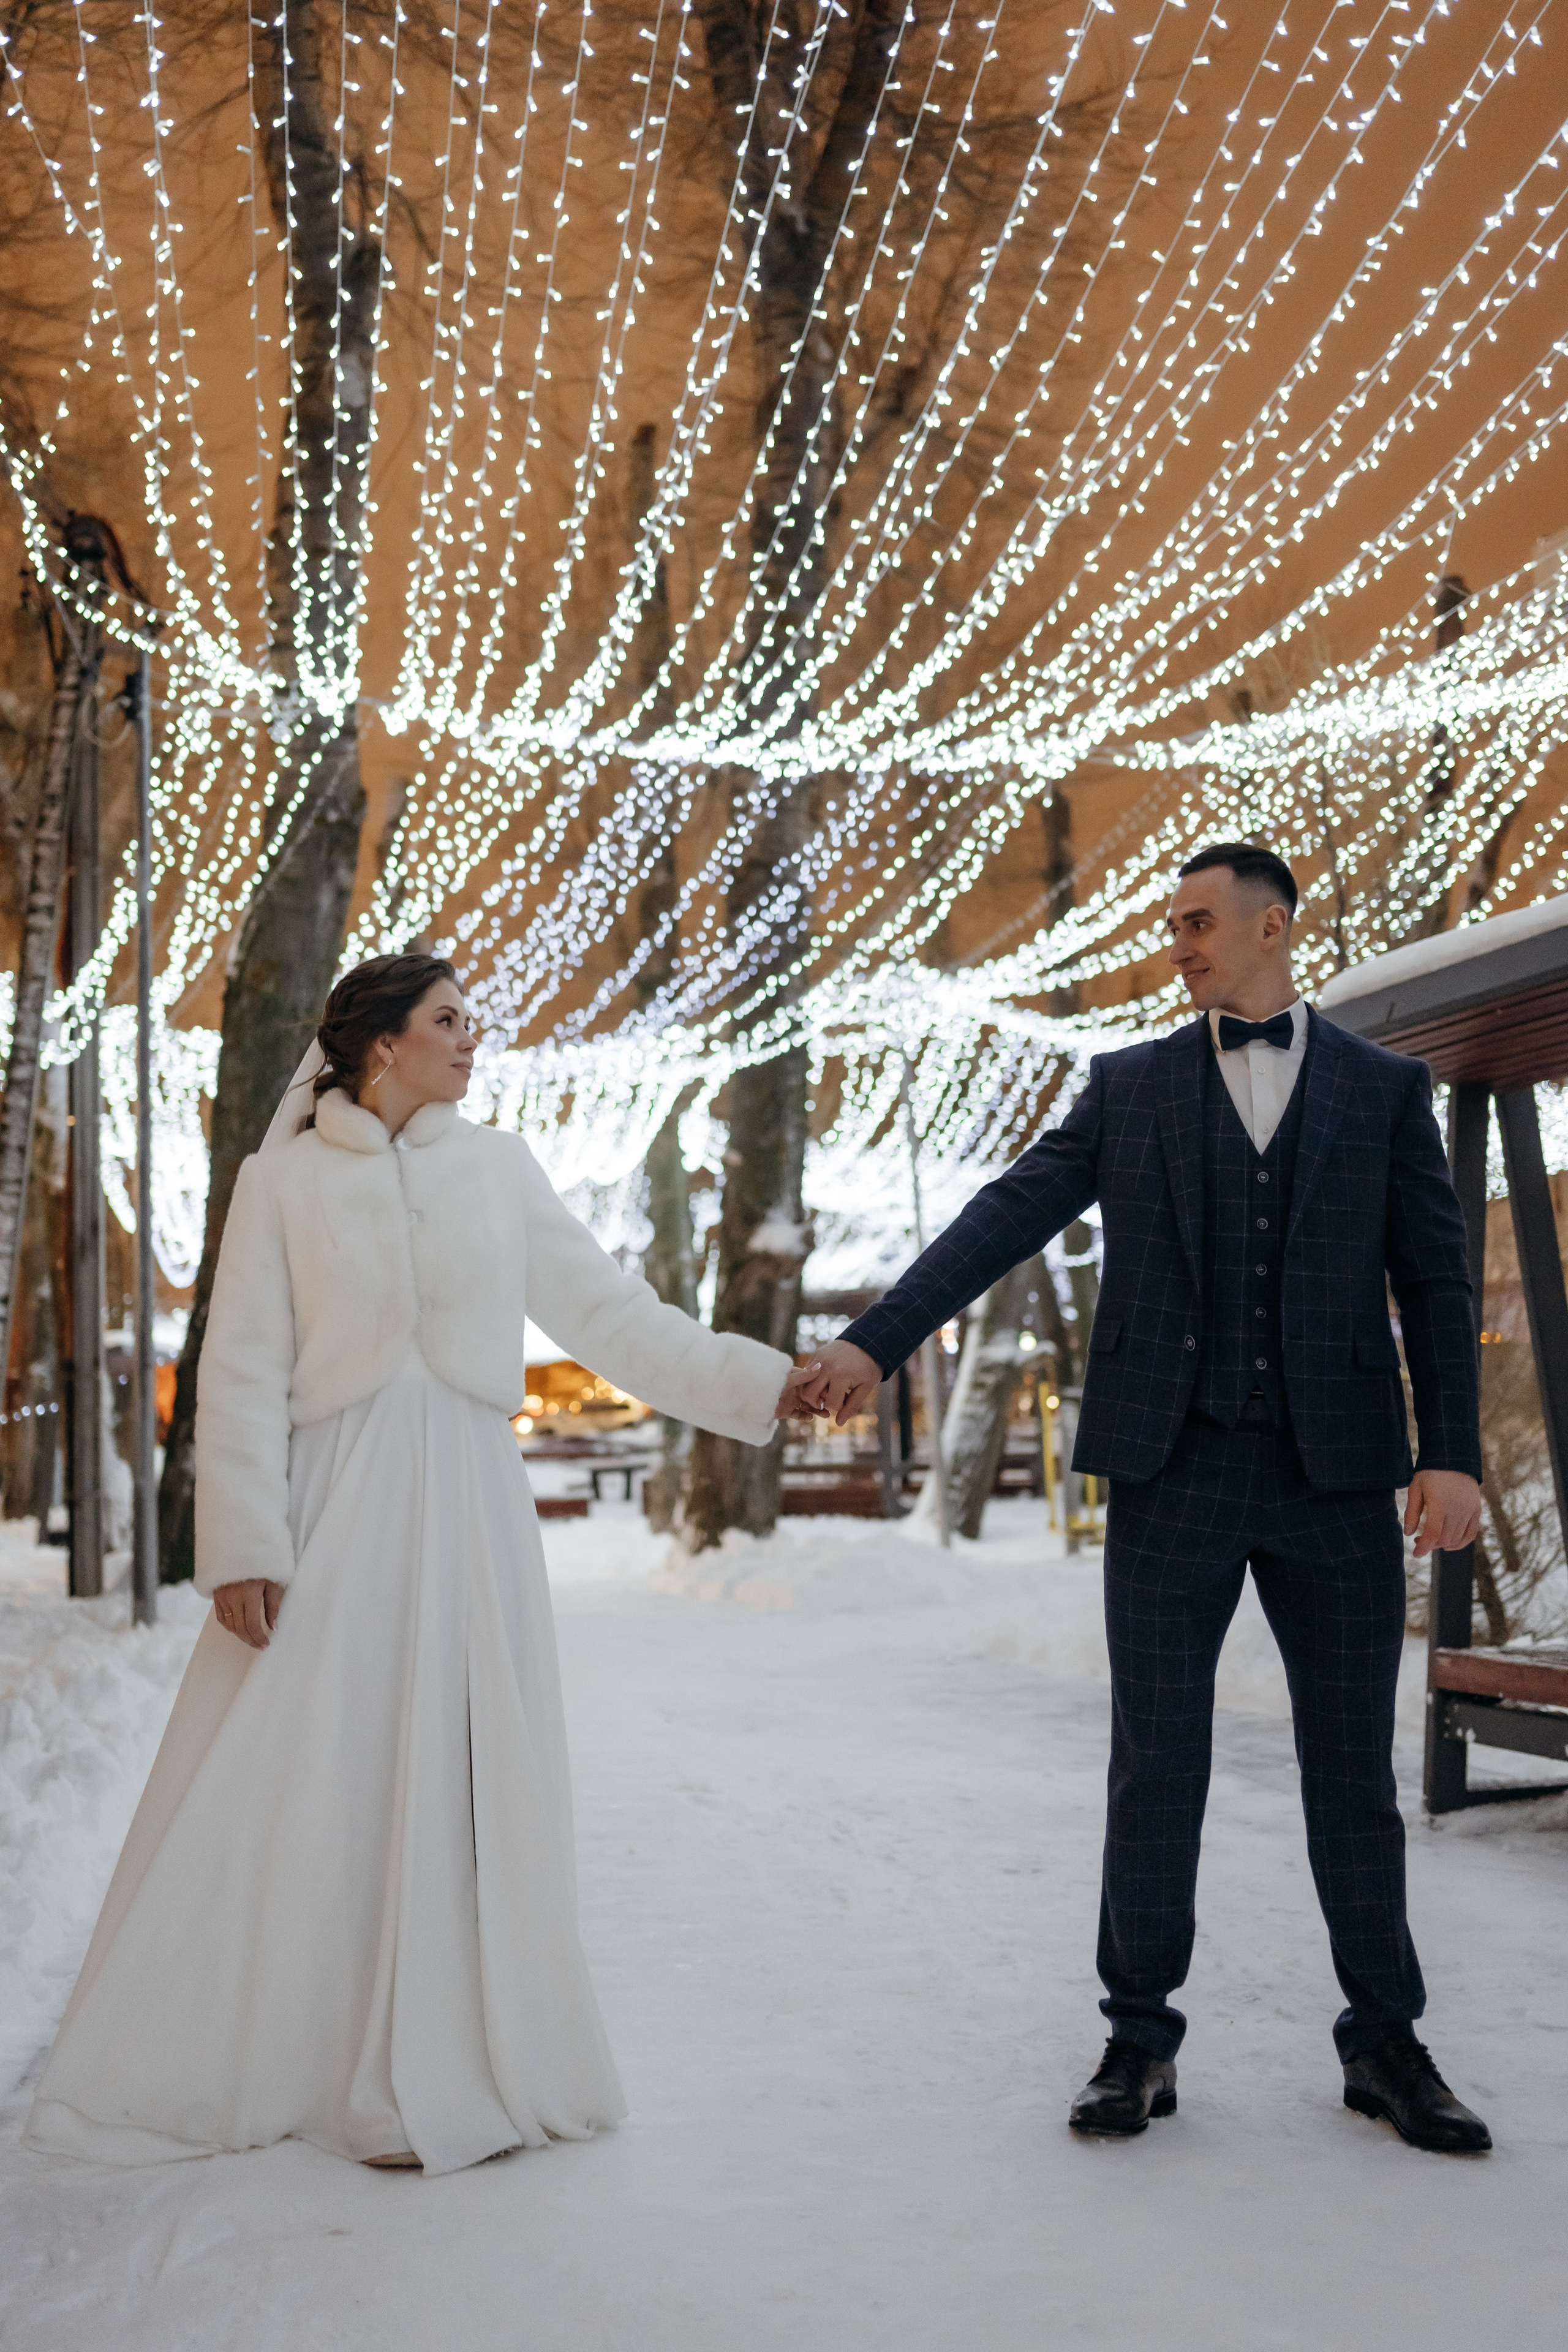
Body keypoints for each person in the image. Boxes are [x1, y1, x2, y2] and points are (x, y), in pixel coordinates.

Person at [26, 954, 795, 2176]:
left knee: (462, 1765)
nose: (469, 1043)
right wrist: (241, 1544)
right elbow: (238, 1376)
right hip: (333, 1503)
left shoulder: (497, 1171)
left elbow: (610, 1317)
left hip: (472, 1507)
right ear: (378, 1045)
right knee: (325, 1759)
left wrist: (762, 1382)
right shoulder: (276, 1185)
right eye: (446, 1023)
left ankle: (445, 2058)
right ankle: (310, 2051)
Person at [786, 844, 1492, 2154]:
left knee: (1351, 1772)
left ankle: (1385, 2042)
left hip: (1337, 1476)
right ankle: (1136, 2039)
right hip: (1173, 1468)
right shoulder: (1127, 1089)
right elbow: (1003, 1216)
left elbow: (1438, 1284)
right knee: (1152, 1765)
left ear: (1273, 927)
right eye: (1170, 923)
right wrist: (874, 1342)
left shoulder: (1386, 1093)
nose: (1175, 943)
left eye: (1196, 922)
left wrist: (1448, 1451)